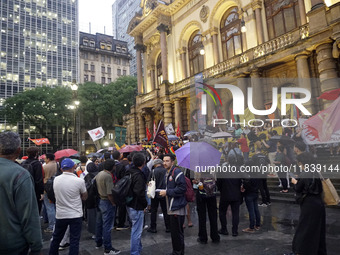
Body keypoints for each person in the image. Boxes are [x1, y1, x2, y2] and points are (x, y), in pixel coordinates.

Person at [0, 132, 43, 255]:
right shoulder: (20, 174)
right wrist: (36, 247)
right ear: (18, 151)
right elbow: (29, 216)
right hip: (12, 244)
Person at [289, 152, 326, 255]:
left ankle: (302, 251)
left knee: (305, 228)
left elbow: (298, 188)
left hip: (309, 204)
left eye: (298, 163)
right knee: (317, 229)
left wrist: (295, 182)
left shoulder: (305, 173)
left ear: (302, 162)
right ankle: (318, 250)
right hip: (318, 203)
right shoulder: (316, 171)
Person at [49, 158, 88, 255]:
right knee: (74, 240)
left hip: (61, 214)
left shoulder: (56, 180)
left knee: (56, 238)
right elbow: (85, 196)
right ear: (74, 167)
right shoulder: (79, 181)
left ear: (61, 169)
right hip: (75, 214)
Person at [160, 154, 187, 255]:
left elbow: (182, 189)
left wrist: (167, 192)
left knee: (177, 232)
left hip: (177, 206)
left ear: (172, 162)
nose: (164, 163)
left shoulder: (177, 172)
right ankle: (178, 250)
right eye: (164, 161)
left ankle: (178, 252)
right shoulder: (167, 173)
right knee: (175, 232)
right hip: (171, 206)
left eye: (167, 161)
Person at [95, 159, 121, 255]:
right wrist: (113, 203)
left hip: (100, 200)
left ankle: (98, 242)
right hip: (106, 201)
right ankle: (108, 248)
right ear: (112, 167)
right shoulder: (108, 176)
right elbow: (110, 193)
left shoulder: (100, 173)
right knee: (107, 226)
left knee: (99, 223)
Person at [126, 153, 148, 255]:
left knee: (136, 228)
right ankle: (135, 252)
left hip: (129, 204)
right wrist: (145, 204)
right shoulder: (138, 175)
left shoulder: (129, 172)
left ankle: (138, 248)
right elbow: (139, 192)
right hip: (136, 205)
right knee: (136, 231)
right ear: (143, 163)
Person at [193, 171, 220, 244]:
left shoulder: (197, 168)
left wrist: (196, 182)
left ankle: (203, 237)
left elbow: (195, 181)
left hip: (201, 194)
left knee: (202, 216)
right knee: (213, 215)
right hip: (212, 194)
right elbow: (216, 180)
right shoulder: (213, 167)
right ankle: (215, 237)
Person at [147, 158, 170, 233]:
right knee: (165, 210)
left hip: (155, 193)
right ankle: (168, 227)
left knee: (154, 210)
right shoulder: (165, 171)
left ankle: (153, 227)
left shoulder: (153, 171)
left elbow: (148, 182)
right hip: (164, 192)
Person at [21, 146, 45, 213]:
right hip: (34, 191)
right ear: (37, 153)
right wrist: (41, 192)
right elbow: (39, 179)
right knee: (36, 210)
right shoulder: (37, 164)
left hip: (24, 189)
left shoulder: (23, 163)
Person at [43, 153, 58, 232]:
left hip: (47, 188)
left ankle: (52, 226)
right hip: (57, 186)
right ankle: (57, 223)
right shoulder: (57, 165)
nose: (45, 160)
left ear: (48, 159)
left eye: (45, 158)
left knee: (49, 207)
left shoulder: (45, 166)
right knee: (56, 206)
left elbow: (42, 177)